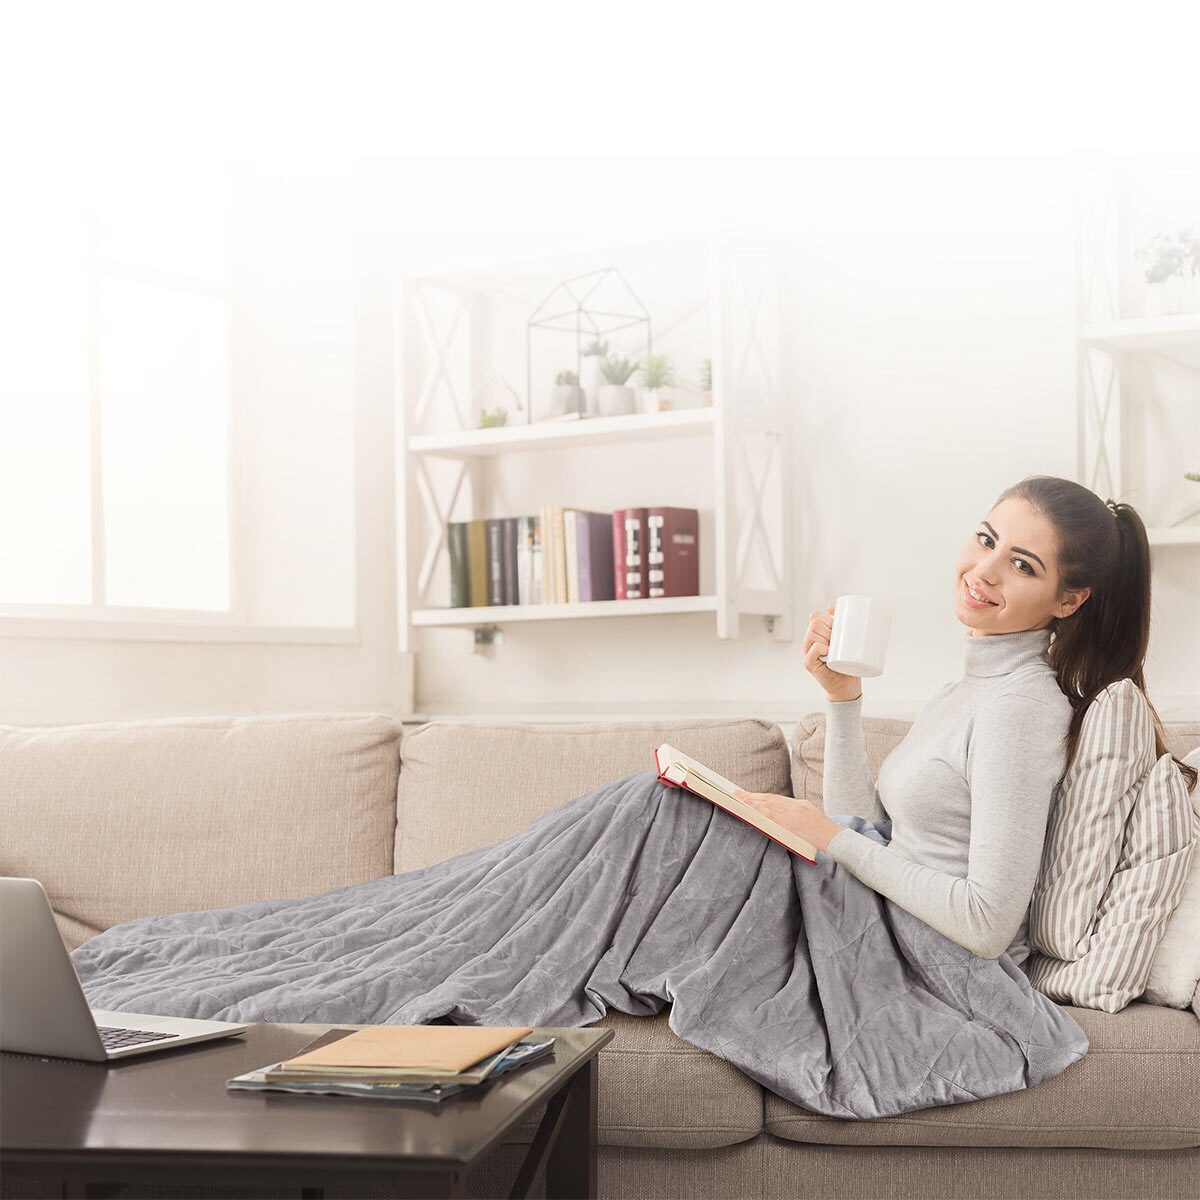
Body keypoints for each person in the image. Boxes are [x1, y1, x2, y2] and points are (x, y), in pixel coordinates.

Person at [729, 474, 1197, 967]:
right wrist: (842, 699)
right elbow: (864, 830)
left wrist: (830, 837)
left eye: (1022, 565)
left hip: (929, 969)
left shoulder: (1020, 709)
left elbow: (987, 922)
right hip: (879, 935)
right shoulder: (962, 694)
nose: (985, 571)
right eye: (986, 540)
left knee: (660, 819)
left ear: (1068, 600)